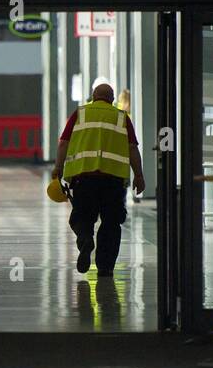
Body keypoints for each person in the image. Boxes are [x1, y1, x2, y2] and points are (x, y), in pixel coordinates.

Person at [51, 82, 145, 276]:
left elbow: (63, 143)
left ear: (93, 97)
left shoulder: (80, 114)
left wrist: (58, 168)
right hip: (113, 179)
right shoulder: (121, 118)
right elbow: (132, 148)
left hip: (84, 178)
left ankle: (86, 239)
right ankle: (105, 268)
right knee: (111, 222)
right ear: (112, 99)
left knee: (82, 217)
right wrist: (139, 175)